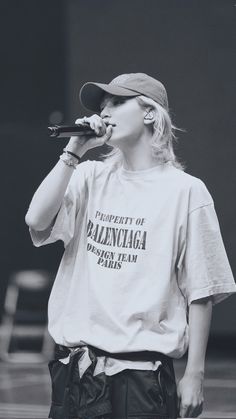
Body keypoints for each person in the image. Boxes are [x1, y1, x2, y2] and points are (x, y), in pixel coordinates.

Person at [25, 73, 236, 419]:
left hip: (142, 379)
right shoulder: (88, 176)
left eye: (117, 102)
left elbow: (201, 290)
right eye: (102, 106)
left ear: (150, 113)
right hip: (78, 373)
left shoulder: (185, 191)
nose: (104, 112)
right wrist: (73, 151)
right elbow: (36, 220)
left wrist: (195, 373)